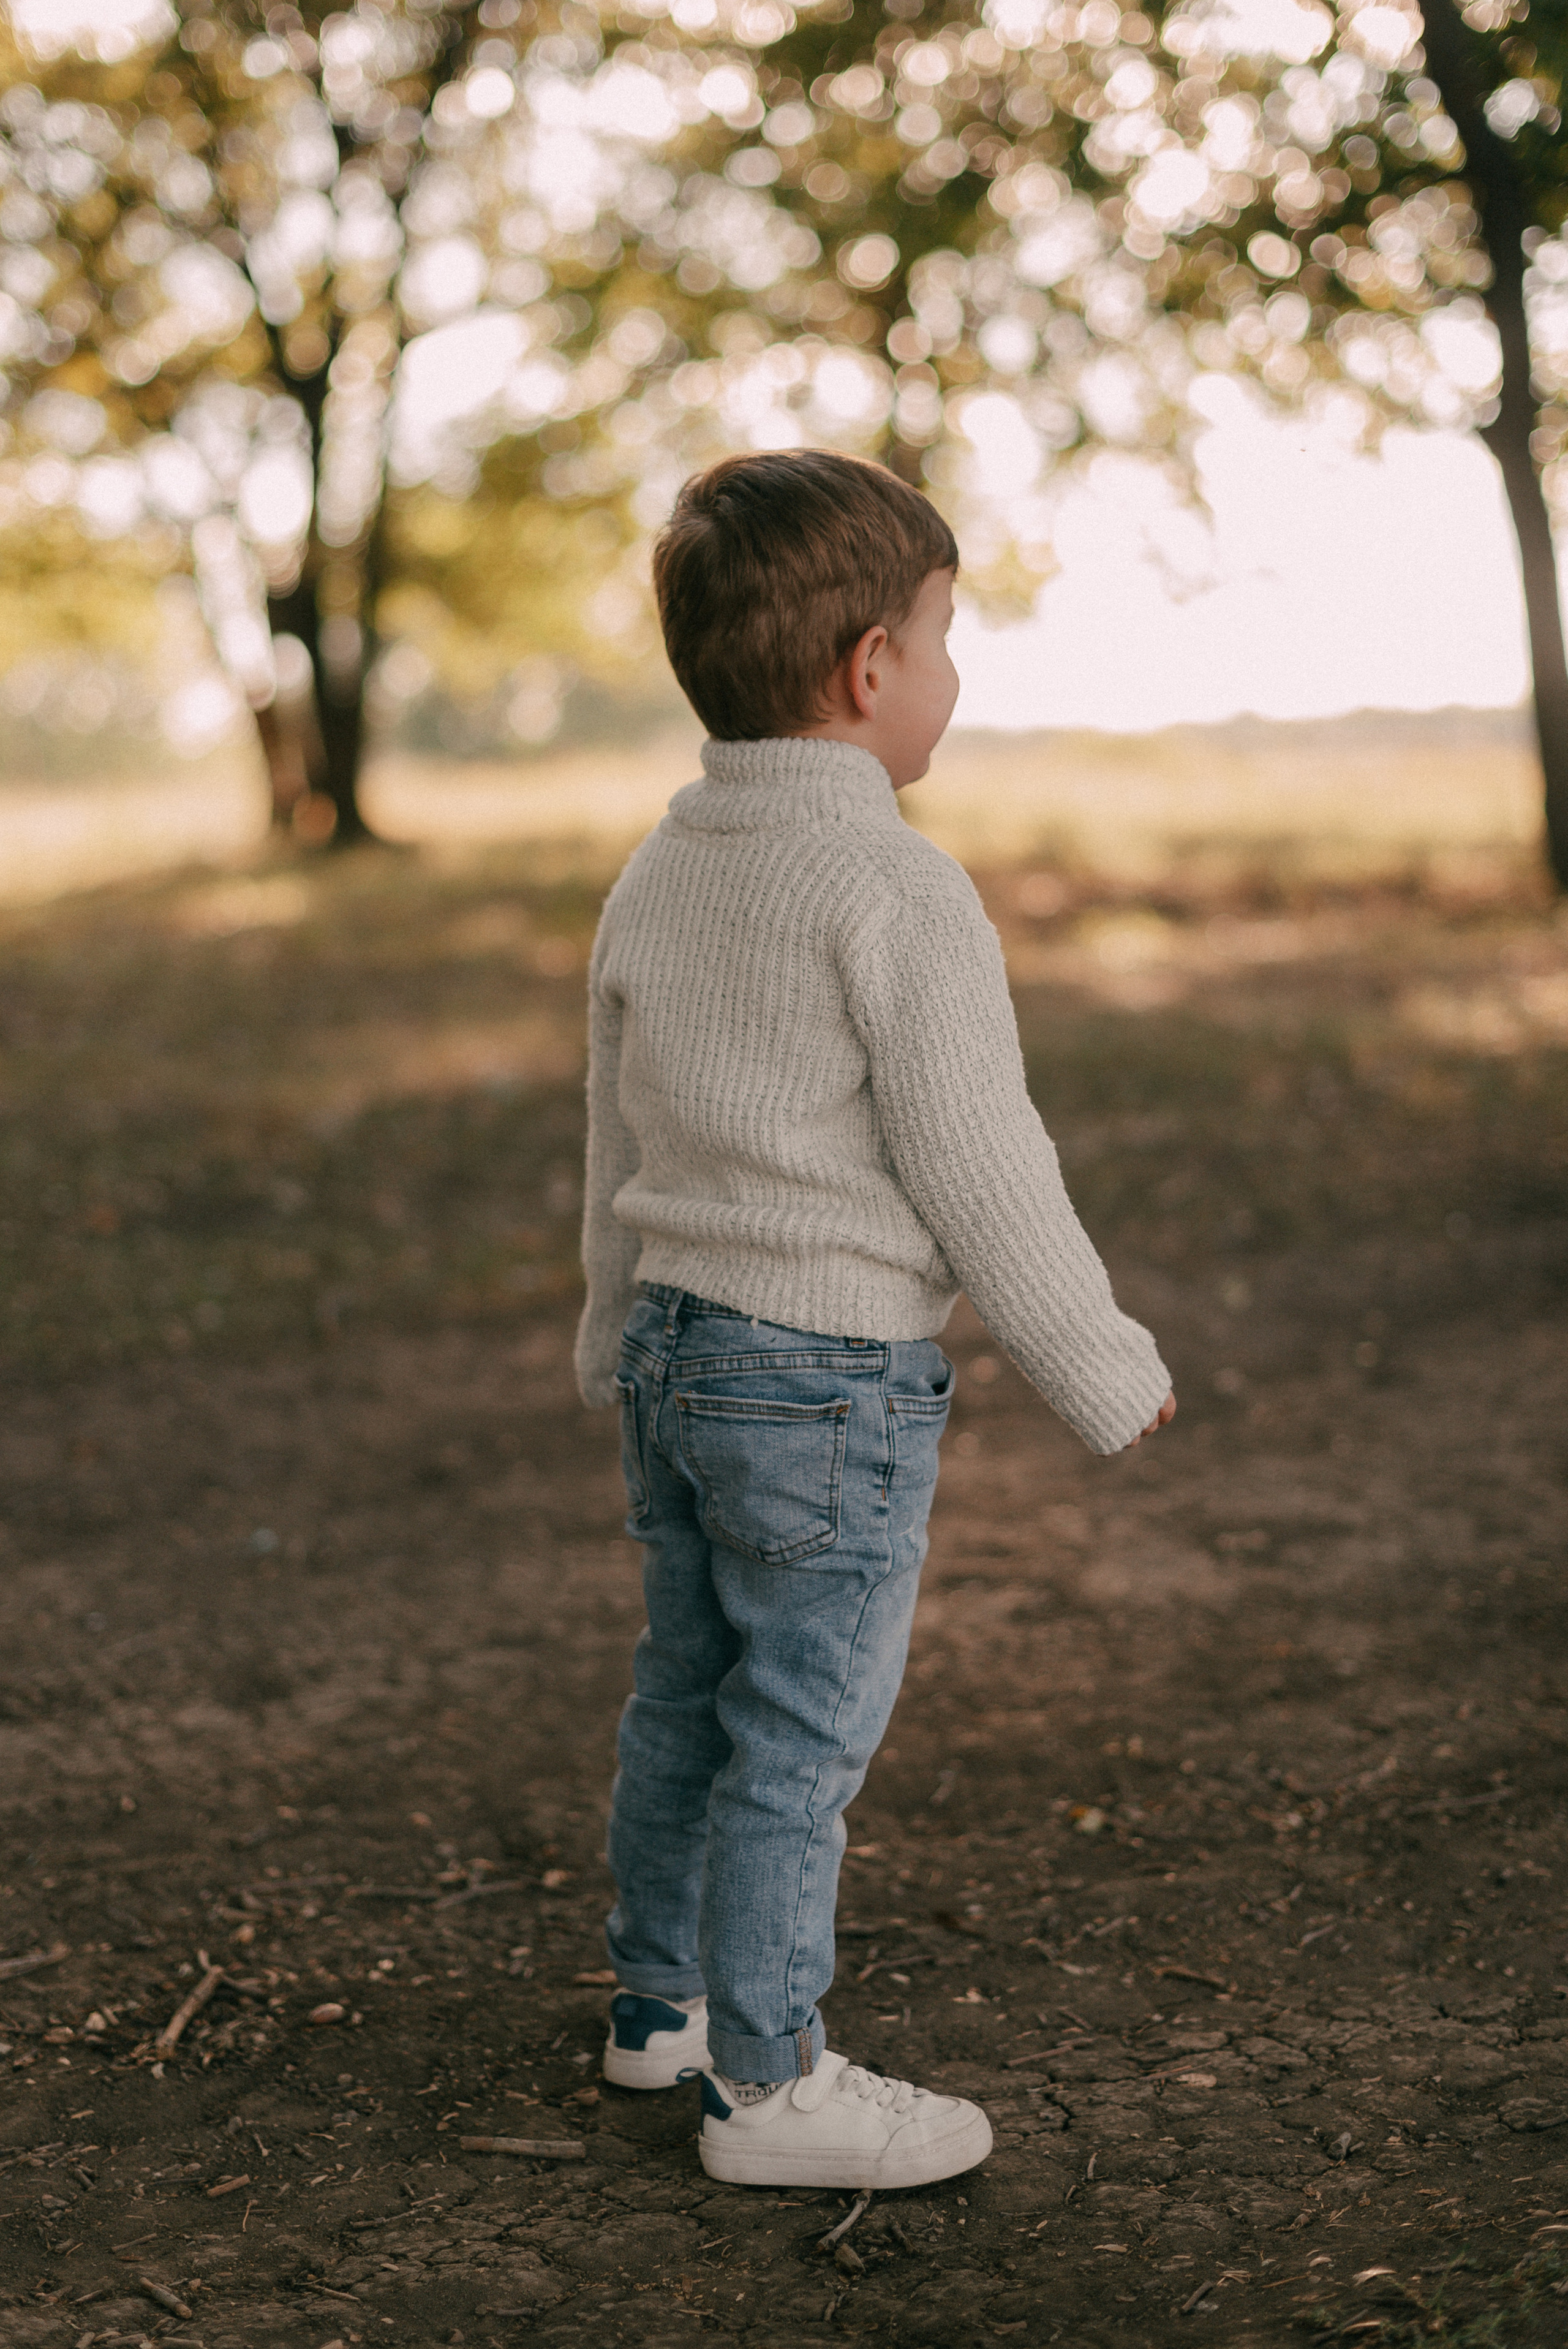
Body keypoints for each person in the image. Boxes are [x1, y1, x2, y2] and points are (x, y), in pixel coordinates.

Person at [574, 448, 1175, 2191]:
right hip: (825, 1379)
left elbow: (613, 1136)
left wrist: (609, 1328)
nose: (953, 675)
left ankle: (655, 2009)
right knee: (800, 1738)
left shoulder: (660, 870)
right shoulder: (896, 889)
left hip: (680, 1356)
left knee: (686, 1692)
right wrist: (1100, 1363)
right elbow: (985, 1165)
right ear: (867, 669)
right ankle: (771, 2089)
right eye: (944, 636)